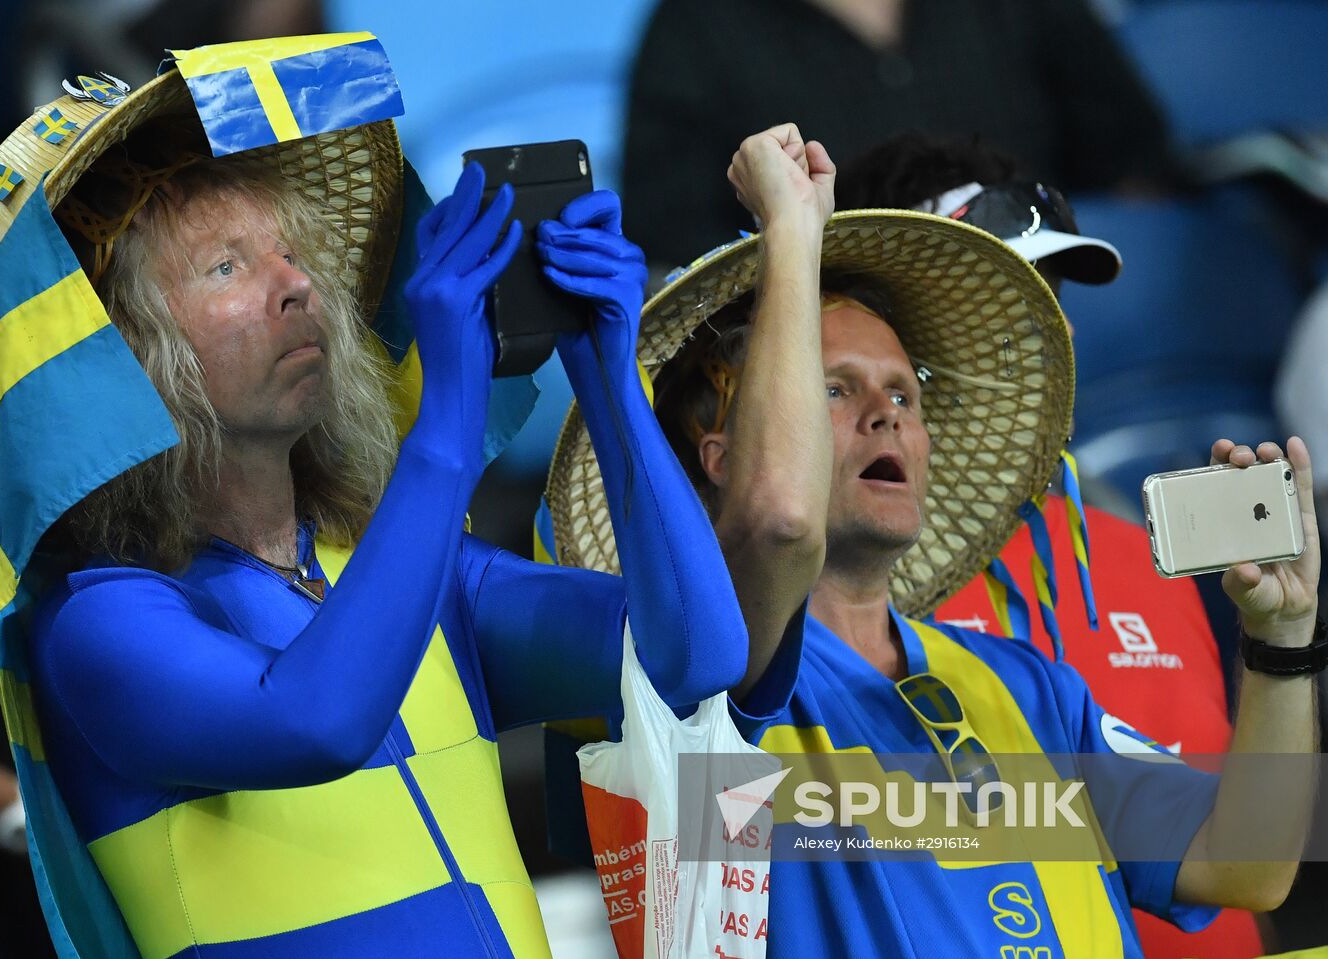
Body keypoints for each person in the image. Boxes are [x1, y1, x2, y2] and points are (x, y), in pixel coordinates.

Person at [0, 65, 745, 958]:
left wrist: (603, 367)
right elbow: (318, 719)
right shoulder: (92, 623)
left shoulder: (416, 572)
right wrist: (450, 400)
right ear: (116, 361)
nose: (297, 286)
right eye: (226, 266)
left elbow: (696, 655)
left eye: (294, 252)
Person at [546, 124, 1321, 956]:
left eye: (904, 396)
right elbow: (778, 524)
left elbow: (1244, 865)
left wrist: (1281, 640)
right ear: (723, 457)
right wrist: (795, 234)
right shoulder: (700, 680)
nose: (885, 414)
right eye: (832, 390)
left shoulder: (1030, 689)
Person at [836, 133, 1264, 958]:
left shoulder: (1142, 551)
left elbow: (1243, 873)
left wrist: (1284, 648)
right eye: (993, 298)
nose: (1044, 332)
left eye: (1051, 293)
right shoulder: (833, 595)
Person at [621, 0, 1177, 269]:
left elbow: (1136, 169)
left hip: (1045, 308)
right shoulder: (694, 28)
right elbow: (677, 261)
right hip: (842, 352)